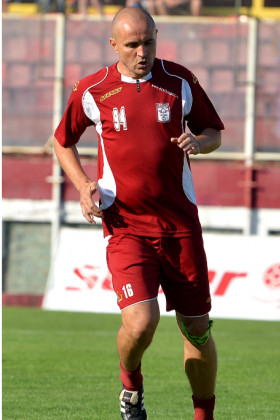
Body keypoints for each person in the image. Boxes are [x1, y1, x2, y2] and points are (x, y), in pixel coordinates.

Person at [51, 6, 223, 420]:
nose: (142, 52)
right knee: (143, 321)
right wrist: (82, 186)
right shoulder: (93, 90)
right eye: (132, 45)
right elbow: (61, 141)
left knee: (197, 327)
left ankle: (204, 416)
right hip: (125, 226)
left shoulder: (180, 81)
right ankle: (131, 387)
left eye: (149, 42)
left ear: (157, 37)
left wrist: (200, 143)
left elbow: (213, 131)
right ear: (114, 45)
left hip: (181, 228)